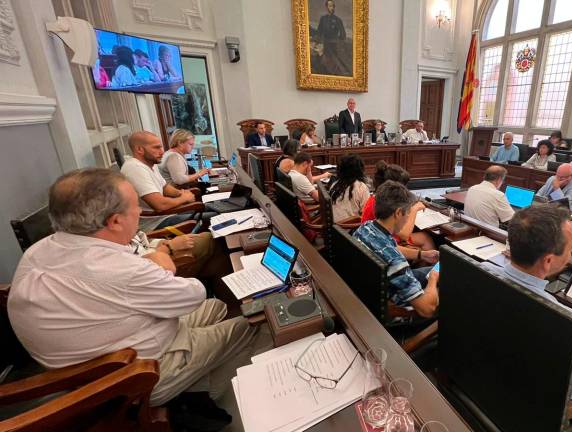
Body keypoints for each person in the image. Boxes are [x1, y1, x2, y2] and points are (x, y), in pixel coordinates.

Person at [8, 168, 271, 426]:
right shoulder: (115, 269)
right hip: (133, 378)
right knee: (257, 321)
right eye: (135, 206)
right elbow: (193, 294)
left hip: (92, 363)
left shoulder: (40, 251)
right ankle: (224, 406)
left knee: (215, 307)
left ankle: (195, 390)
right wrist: (162, 261)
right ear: (114, 221)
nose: (140, 212)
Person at [479, 206, 572, 400]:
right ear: (548, 261)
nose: (570, 256)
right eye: (571, 250)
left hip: (487, 373)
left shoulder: (481, 269)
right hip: (531, 400)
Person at [353, 181, 440, 318]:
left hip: (371, 292)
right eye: (408, 213)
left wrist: (422, 255)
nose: (408, 219)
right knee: (447, 281)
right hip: (396, 310)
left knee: (434, 271)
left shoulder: (367, 228)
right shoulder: (396, 262)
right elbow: (426, 310)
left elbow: (390, 247)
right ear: (398, 213)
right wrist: (433, 279)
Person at [121, 131, 212, 231]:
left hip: (167, 213)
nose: (162, 151)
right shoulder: (135, 168)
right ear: (139, 149)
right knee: (215, 216)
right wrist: (184, 198)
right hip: (156, 223)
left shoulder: (150, 163)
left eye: (161, 147)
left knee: (214, 207)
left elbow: (164, 187)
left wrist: (181, 193)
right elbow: (160, 205)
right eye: (156, 147)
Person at [360, 161, 438, 263]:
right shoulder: (384, 205)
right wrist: (413, 209)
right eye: (403, 187)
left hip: (380, 240)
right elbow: (404, 235)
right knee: (425, 244)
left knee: (425, 239)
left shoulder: (377, 198)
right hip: (386, 243)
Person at [328, 154, 370, 221]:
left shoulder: (335, 185)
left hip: (335, 227)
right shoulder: (361, 187)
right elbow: (366, 213)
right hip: (350, 227)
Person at [315, 0, 351, 76]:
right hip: (324, 44)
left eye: (333, 6)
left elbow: (343, 35)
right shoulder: (323, 19)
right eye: (330, 6)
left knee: (333, 65)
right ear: (326, 7)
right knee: (320, 64)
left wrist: (336, 40)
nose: (332, 8)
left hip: (333, 46)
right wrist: (318, 43)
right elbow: (319, 32)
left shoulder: (338, 20)